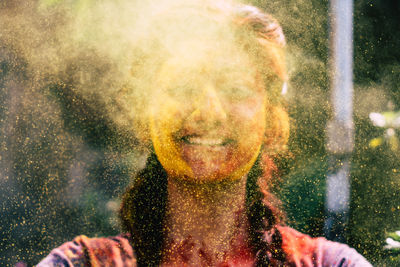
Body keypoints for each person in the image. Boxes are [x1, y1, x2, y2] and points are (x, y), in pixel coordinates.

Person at [37, 0, 372, 266]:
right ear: (144, 112)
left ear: (271, 120)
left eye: (235, 89)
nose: (208, 111)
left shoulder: (331, 264)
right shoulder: (80, 264)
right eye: (183, 86)